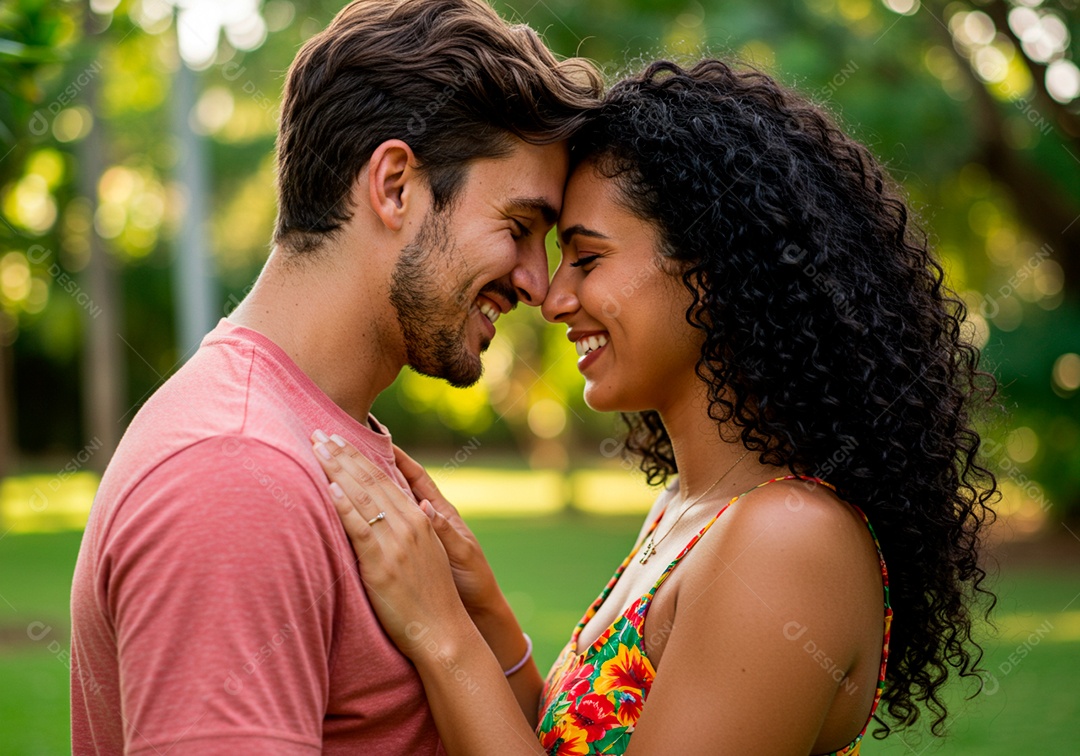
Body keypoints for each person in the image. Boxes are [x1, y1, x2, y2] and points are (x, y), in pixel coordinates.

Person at [309, 59, 999, 755]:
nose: (552, 299)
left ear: (713, 267)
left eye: (587, 258)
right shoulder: (684, 510)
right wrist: (478, 607)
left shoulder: (788, 541)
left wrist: (440, 633)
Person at [68, 1, 601, 753]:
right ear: (393, 185)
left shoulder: (320, 442)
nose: (539, 286)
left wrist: (478, 624)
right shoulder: (234, 473)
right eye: (518, 229)